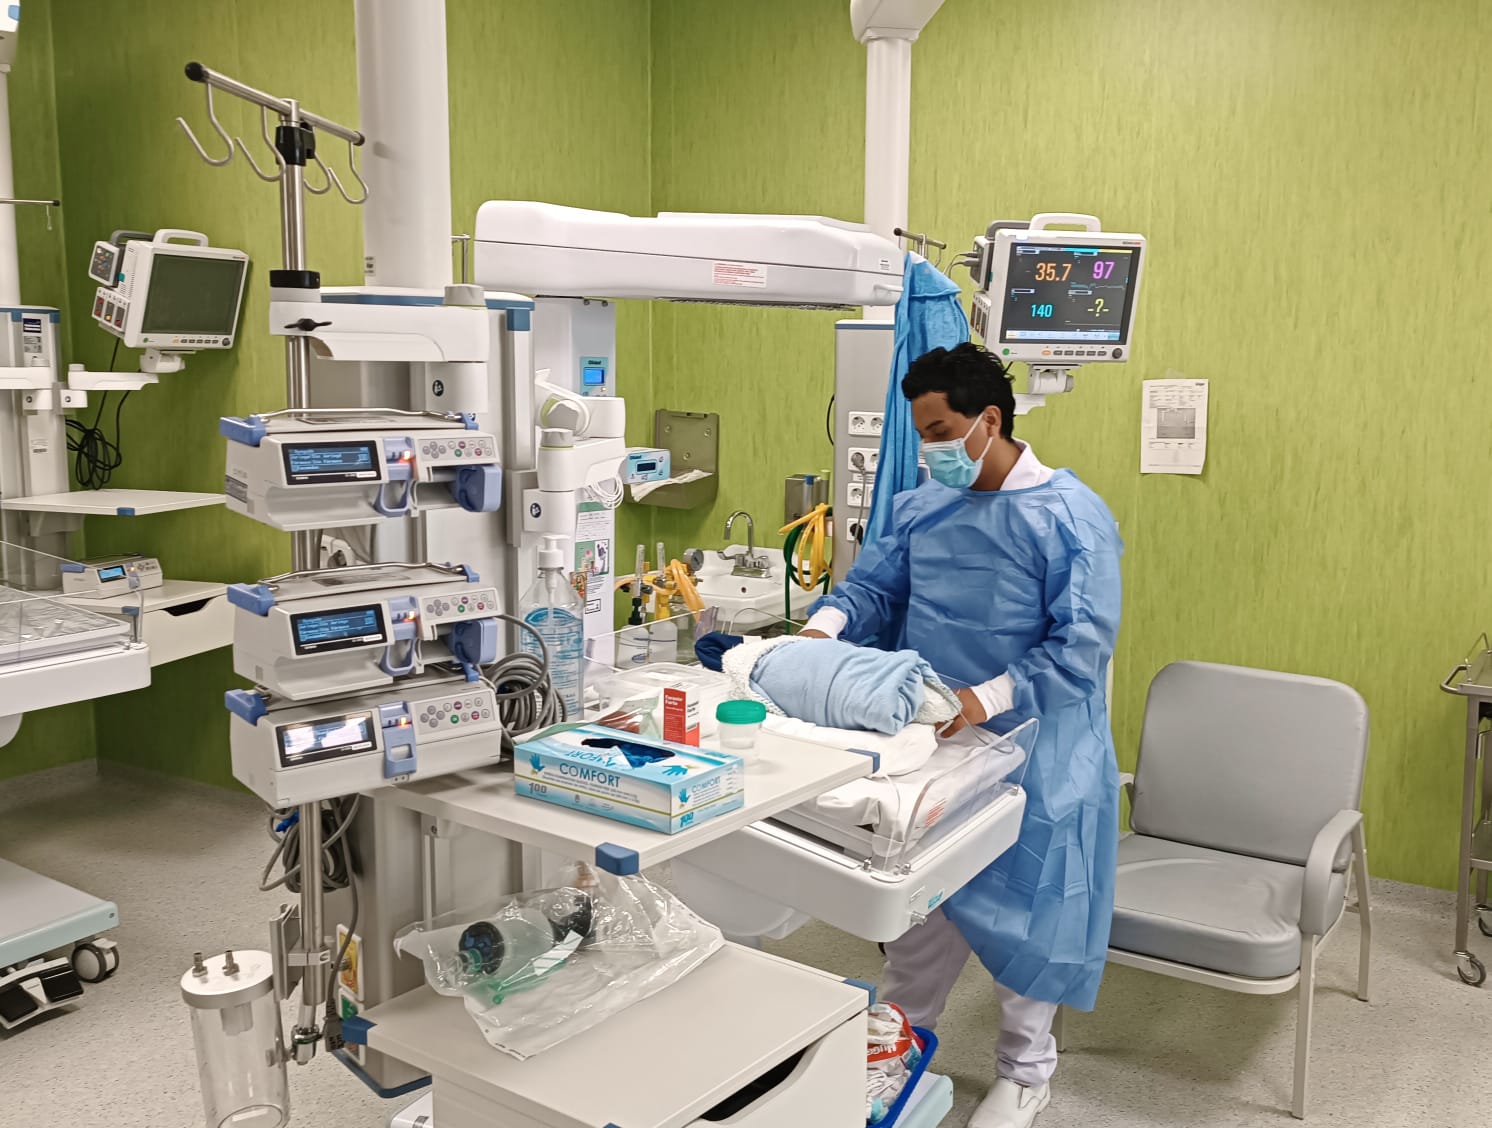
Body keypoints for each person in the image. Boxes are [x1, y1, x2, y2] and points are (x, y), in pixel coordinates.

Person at [802, 341, 1122, 1128]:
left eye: (941, 431)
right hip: (935, 741)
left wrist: (987, 698)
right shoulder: (925, 506)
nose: (931, 449)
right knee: (923, 910)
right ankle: (897, 1044)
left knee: (1029, 918)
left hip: (1041, 746)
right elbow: (875, 589)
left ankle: (1026, 1072)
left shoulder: (1069, 516)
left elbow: (1081, 645)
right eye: (923, 435)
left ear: (990, 421)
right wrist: (820, 631)